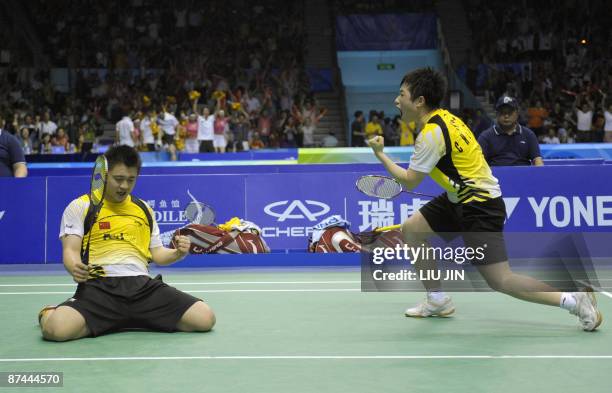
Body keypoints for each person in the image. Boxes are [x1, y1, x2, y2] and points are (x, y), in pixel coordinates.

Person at [368, 67, 601, 331]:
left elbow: (410, 180)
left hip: (479, 206)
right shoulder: (448, 119)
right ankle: (437, 300)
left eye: (402, 95)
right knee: (412, 229)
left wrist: (380, 154)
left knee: (500, 280)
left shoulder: (431, 135)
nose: (396, 101)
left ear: (419, 101)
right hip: (461, 197)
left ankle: (573, 301)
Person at [38, 146, 215, 341]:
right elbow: (70, 250)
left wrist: (177, 253)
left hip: (143, 288)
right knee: (55, 330)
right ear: (104, 175)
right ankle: (49, 311)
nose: (124, 186)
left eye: (131, 180)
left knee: (205, 318)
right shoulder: (82, 206)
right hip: (99, 287)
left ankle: (119, 320)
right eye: (119, 179)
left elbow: (157, 254)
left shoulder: (144, 209)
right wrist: (74, 267)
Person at [477, 96, 543, 166]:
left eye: (510, 112)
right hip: (495, 175)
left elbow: (538, 161)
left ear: (517, 114)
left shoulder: (529, 135)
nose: (506, 116)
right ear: (497, 114)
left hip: (523, 175)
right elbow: (478, 163)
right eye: (502, 112)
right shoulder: (486, 137)